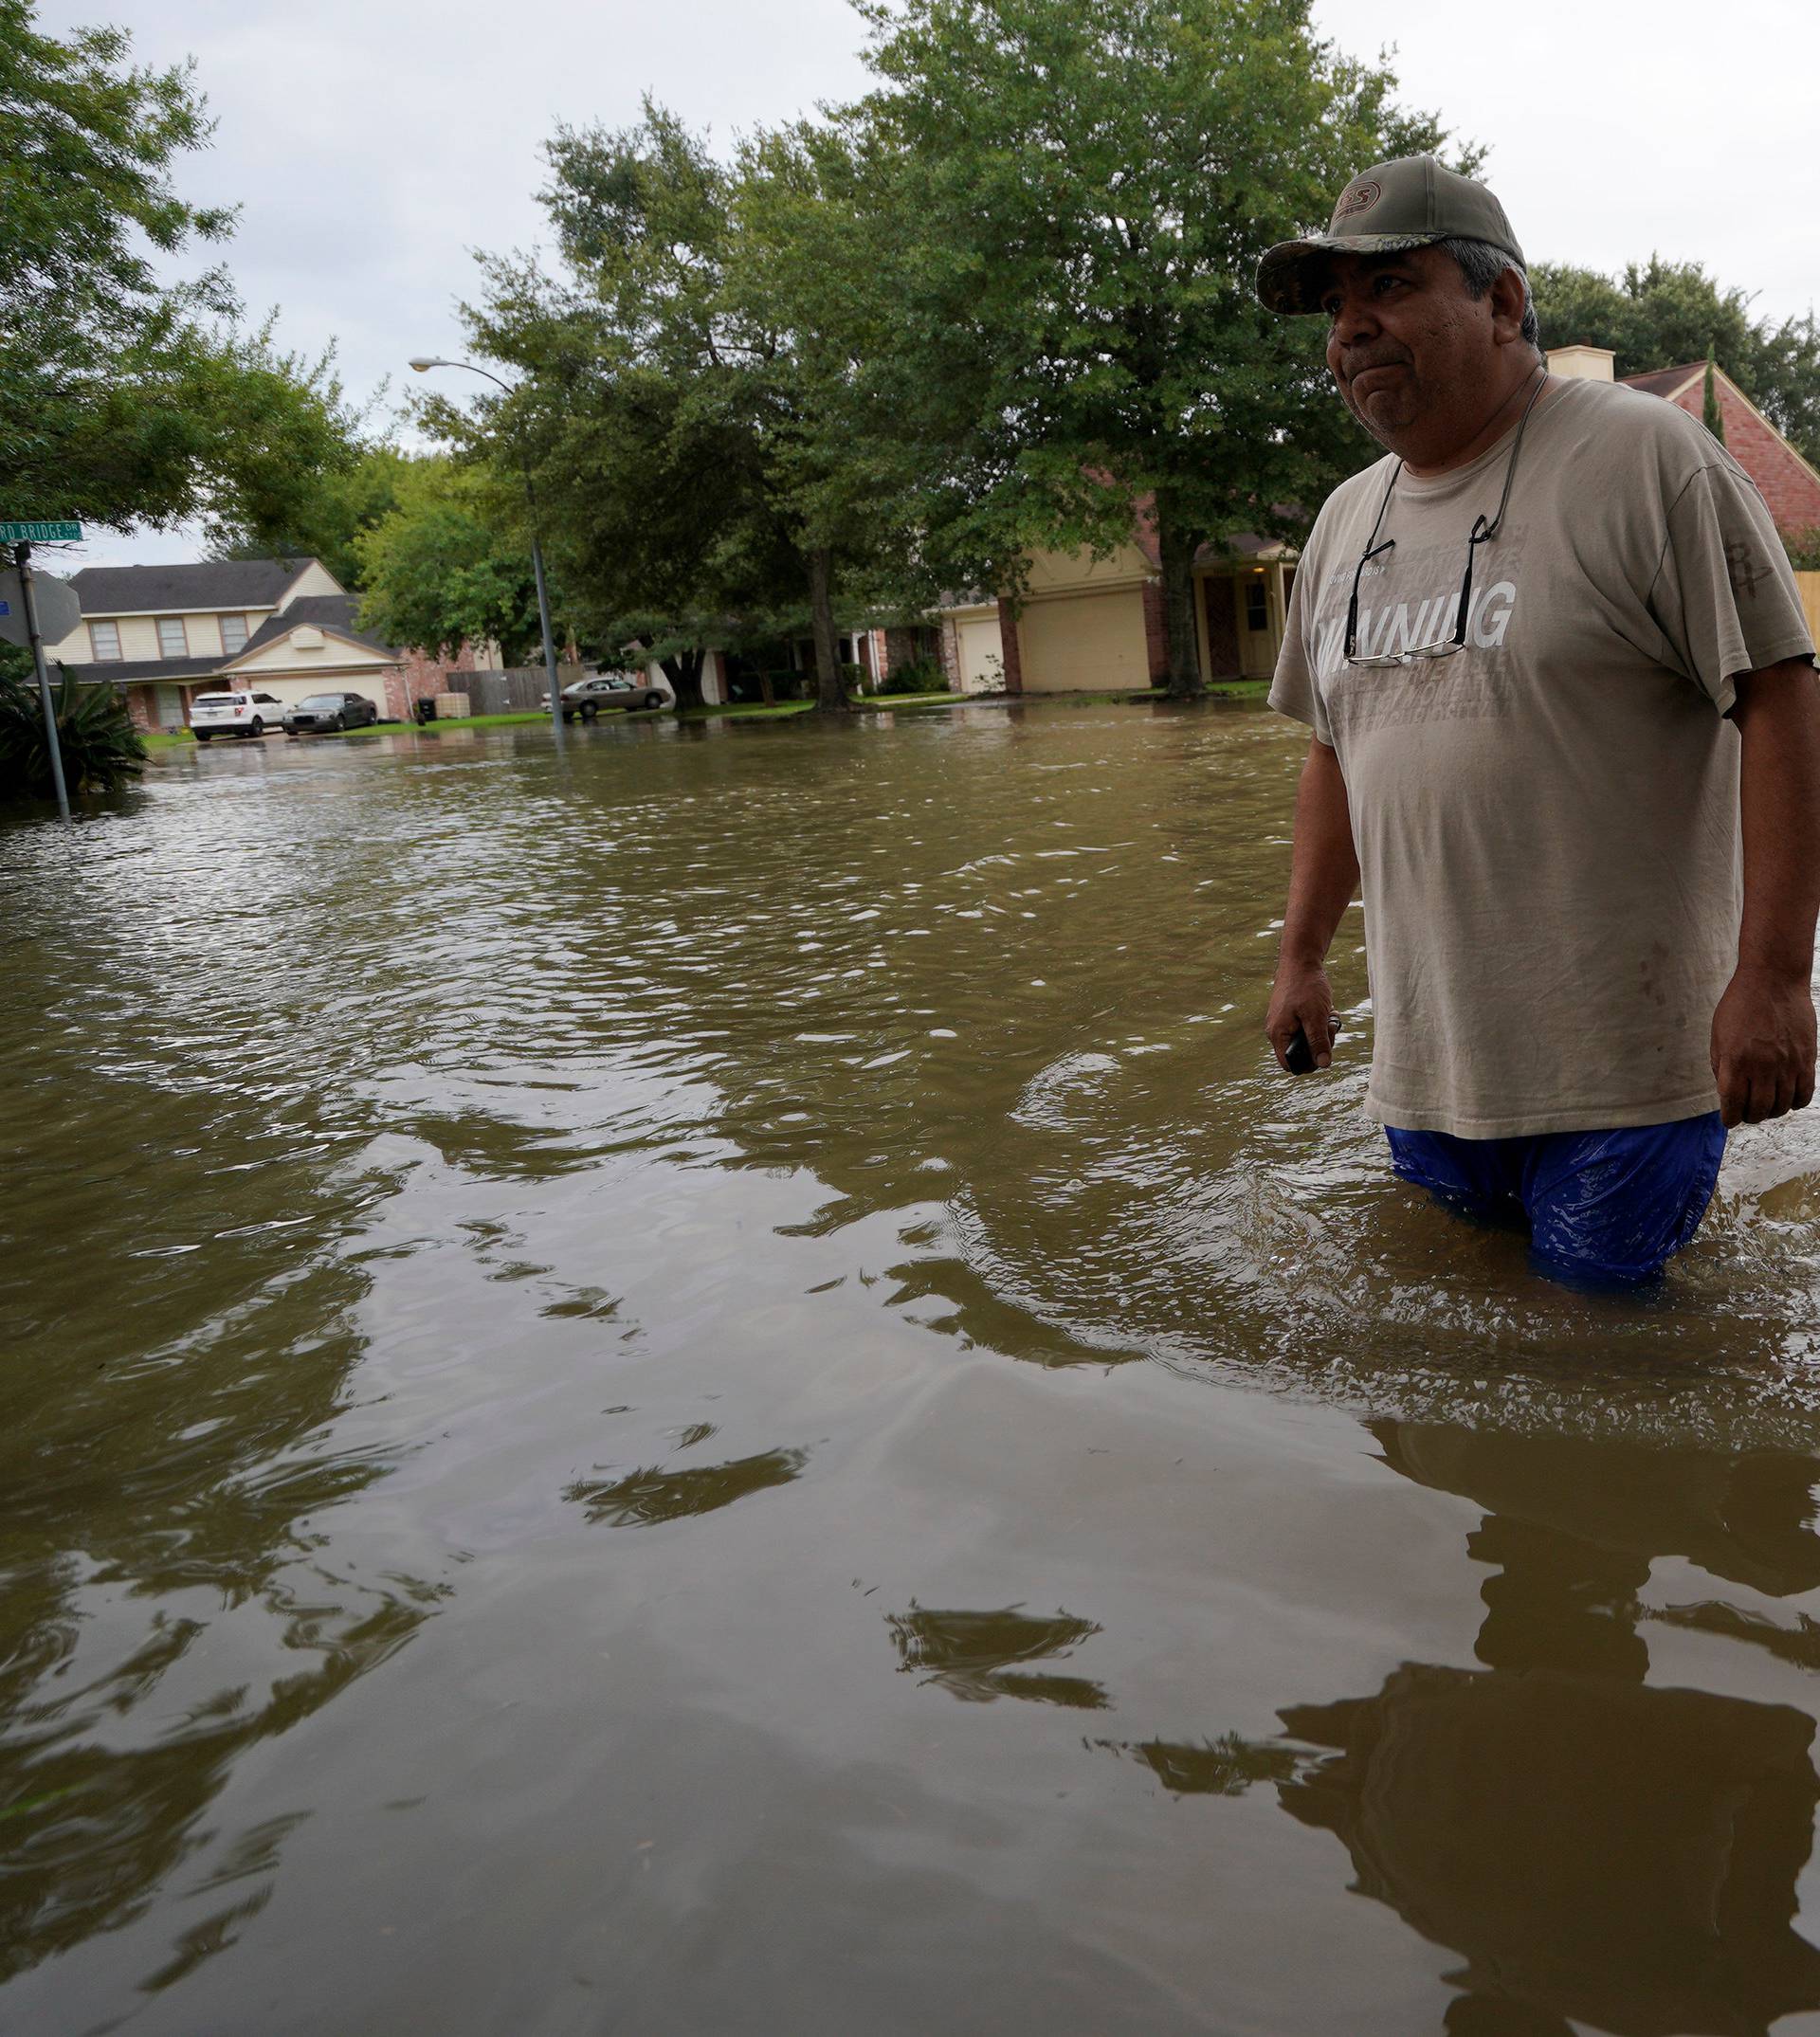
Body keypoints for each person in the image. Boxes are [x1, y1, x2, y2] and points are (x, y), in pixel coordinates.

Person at [1255, 155, 1820, 1285]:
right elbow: (1335, 753)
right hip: (1430, 1072)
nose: (1353, 330)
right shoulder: (1339, 525)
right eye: (1335, 308)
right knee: (1468, 1364)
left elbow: (1783, 692)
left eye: (1392, 288)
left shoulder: (1645, 459)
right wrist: (1301, 961)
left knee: (1612, 1363)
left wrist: (1775, 977)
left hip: (1628, 1071)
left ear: (1503, 300)